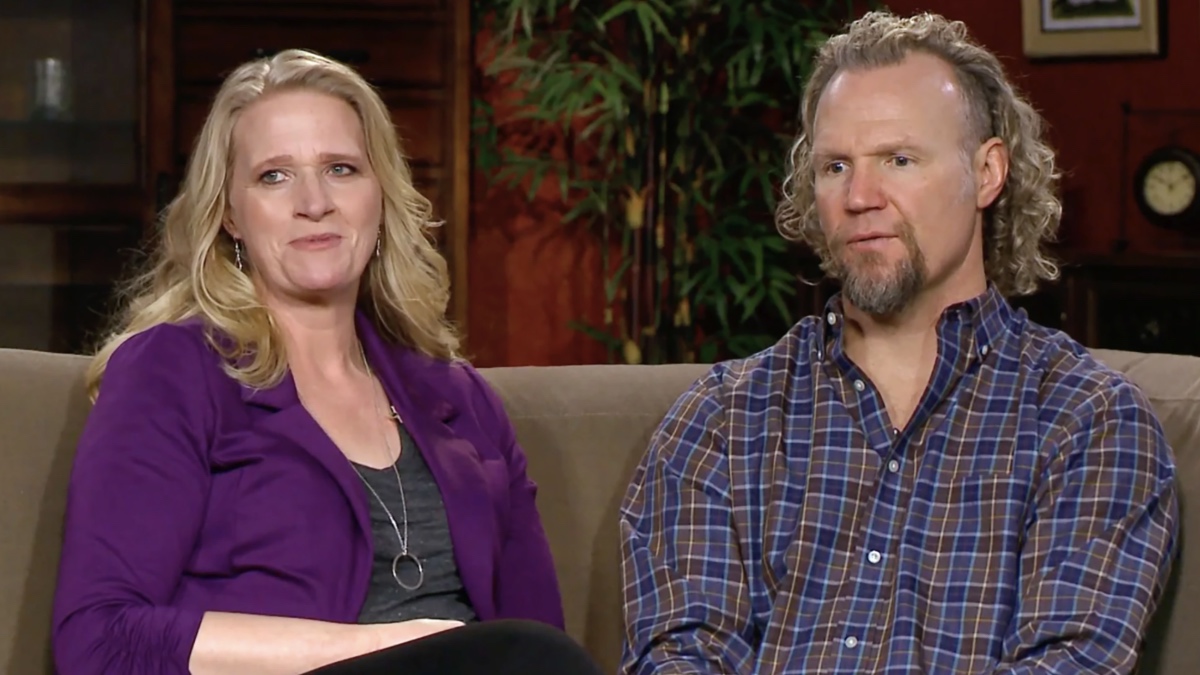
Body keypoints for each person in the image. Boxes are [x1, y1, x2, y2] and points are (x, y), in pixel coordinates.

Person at [619, 10, 1179, 675]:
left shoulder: (1088, 421)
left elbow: (1070, 662)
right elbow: (679, 656)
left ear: (988, 173)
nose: (860, 196)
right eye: (834, 167)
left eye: (899, 159)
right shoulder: (721, 420)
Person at [51, 49, 603, 675]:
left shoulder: (461, 401)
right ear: (229, 213)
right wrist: (391, 645)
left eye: (341, 168)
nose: (315, 202)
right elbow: (99, 639)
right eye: (274, 176)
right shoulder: (172, 372)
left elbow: (536, 637)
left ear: (381, 196)